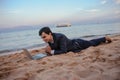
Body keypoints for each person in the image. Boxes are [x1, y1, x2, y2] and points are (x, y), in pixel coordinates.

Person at [39, 27, 112, 55]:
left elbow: (63, 51)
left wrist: (51, 51)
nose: (43, 39)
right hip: (74, 47)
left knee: (92, 43)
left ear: (50, 33)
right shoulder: (48, 39)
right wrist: (48, 49)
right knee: (91, 42)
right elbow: (56, 47)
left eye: (44, 37)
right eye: (42, 38)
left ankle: (104, 38)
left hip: (78, 44)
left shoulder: (60, 37)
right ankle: (103, 38)